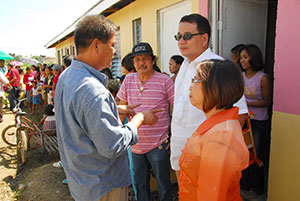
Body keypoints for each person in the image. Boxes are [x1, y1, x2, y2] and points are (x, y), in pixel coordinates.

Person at [54, 14, 161, 201]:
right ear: (96, 45)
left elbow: (78, 115)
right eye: (112, 45)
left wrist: (113, 109)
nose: (115, 52)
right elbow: (112, 145)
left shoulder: (67, 76)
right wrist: (139, 119)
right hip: (104, 185)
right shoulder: (94, 90)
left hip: (83, 181)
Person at [170, 13, 249, 178]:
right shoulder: (184, 65)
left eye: (187, 36)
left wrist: (215, 151)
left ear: (204, 38)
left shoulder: (217, 68)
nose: (181, 41)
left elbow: (239, 115)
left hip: (206, 155)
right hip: (181, 150)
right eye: (178, 36)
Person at [178, 59, 249, 201]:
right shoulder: (217, 126)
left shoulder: (221, 137)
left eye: (196, 80)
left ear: (216, 87)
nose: (190, 87)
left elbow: (211, 195)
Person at [117, 42, 174, 201]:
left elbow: (178, 107)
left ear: (153, 60)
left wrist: (174, 134)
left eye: (145, 59)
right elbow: (122, 106)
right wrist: (120, 134)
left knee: (163, 185)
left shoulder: (165, 81)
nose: (141, 63)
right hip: (135, 144)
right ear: (133, 63)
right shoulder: (128, 79)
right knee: (140, 184)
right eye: (137, 60)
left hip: (159, 144)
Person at [239, 44, 271, 197]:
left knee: (255, 155)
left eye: (245, 57)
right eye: (241, 58)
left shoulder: (263, 78)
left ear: (254, 58)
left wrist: (246, 104)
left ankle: (257, 188)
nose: (242, 61)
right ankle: (244, 185)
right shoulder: (240, 76)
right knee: (243, 154)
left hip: (258, 122)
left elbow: (267, 101)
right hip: (243, 120)